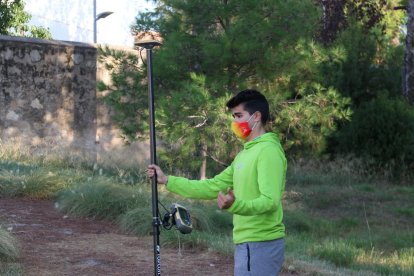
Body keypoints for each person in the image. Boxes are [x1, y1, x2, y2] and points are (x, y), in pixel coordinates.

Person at [147, 89, 287, 276]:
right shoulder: (244, 154)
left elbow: (270, 201)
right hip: (247, 243)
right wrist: (167, 180)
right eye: (233, 116)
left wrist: (236, 205)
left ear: (256, 116)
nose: (234, 122)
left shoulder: (268, 151)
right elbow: (211, 186)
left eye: (239, 116)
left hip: (261, 243)